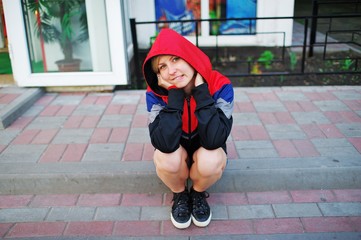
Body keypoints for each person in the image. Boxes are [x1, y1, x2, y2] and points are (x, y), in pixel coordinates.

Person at [142, 28, 234, 229]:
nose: (171, 71)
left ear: (189, 57)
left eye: (175, 59)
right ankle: (180, 193)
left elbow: (214, 139)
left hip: (206, 147)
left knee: (212, 159)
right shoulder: (155, 94)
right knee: (166, 158)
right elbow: (164, 144)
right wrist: (174, 94)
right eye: (162, 67)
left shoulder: (221, 85)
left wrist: (201, 91)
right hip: (177, 148)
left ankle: (198, 193)